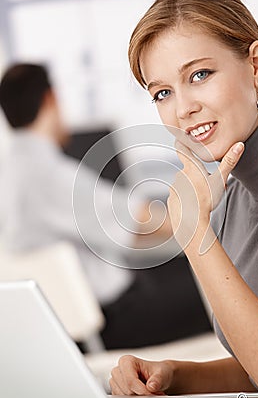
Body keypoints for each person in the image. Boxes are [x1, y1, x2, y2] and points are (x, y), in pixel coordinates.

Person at [109, 0, 258, 398]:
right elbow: (257, 367)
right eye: (162, 93)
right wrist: (173, 376)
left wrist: (192, 230)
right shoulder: (227, 202)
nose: (183, 109)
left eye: (199, 75)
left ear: (256, 65)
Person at [0, 62, 212, 350]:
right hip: (115, 322)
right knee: (222, 281)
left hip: (57, 329)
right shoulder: (46, 172)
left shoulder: (10, 171)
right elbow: (142, 220)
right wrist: (209, 211)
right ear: (50, 99)